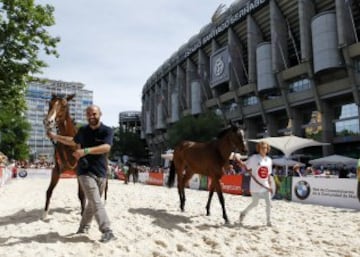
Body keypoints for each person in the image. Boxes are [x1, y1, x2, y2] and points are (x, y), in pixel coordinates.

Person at [47, 104, 116, 243]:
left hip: (101, 172)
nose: (91, 116)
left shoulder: (107, 130)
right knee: (96, 201)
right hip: (85, 171)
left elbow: (106, 147)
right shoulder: (83, 130)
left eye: (94, 114)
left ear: (100, 114)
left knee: (92, 204)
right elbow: (72, 140)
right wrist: (55, 136)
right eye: (89, 114)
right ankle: (107, 230)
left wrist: (85, 151)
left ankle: (83, 228)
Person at [237, 141, 273, 226]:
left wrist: (270, 185)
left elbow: (268, 174)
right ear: (259, 149)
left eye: (265, 148)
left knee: (269, 203)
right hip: (255, 185)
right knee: (255, 203)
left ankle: (268, 221)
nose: (264, 150)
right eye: (262, 148)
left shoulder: (269, 160)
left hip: (265, 185)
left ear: (268, 149)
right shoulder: (254, 158)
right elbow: (246, 166)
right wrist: (240, 162)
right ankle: (243, 213)